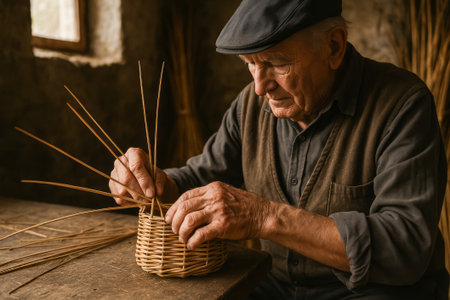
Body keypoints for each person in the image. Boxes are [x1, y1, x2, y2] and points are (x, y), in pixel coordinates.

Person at [109, 0, 449, 298]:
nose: (260, 87)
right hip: (273, 285)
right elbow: (201, 177)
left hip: (370, 292)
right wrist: (155, 183)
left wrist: (265, 217)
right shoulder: (251, 106)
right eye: (250, 64)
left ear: (334, 47)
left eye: (277, 63)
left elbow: (404, 247)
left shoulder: (402, 105)